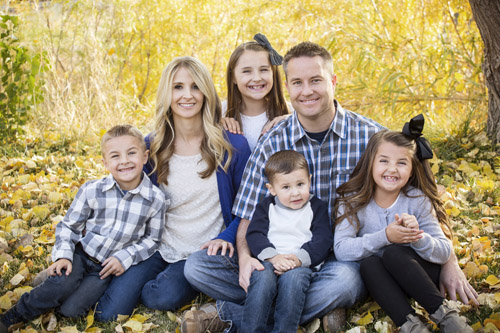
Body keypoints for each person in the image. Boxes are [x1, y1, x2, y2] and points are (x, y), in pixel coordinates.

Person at [183, 41, 478, 332]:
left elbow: (422, 194)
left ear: (334, 81)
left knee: (346, 283)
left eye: (316, 80)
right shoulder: (272, 141)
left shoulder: (370, 136)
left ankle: (231, 313)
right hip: (279, 253)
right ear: (287, 88)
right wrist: (246, 259)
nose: (307, 90)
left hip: (341, 257)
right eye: (297, 82)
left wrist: (449, 260)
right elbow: (248, 214)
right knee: (198, 267)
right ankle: (319, 310)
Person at [94, 56, 251, 321]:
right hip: (156, 246)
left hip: (198, 253)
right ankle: (76, 278)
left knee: (159, 297)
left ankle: (182, 285)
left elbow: (248, 206)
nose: (187, 95)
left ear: (206, 93)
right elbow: (128, 195)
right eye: (178, 87)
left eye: (195, 86)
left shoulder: (232, 146)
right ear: (167, 93)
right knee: (107, 314)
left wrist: (227, 236)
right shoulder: (151, 147)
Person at [0, 125, 165, 332]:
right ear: (105, 163)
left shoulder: (155, 199)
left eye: (131, 153)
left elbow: (153, 240)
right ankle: (13, 315)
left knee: (71, 310)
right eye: (115, 156)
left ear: (144, 156)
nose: (124, 161)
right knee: (61, 285)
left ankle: (51, 284)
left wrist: (125, 257)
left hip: (105, 270)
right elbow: (69, 226)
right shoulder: (92, 190)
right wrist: (63, 256)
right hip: (81, 254)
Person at [334, 115, 473, 333]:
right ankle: (411, 326)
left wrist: (417, 236)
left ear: (412, 169)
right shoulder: (352, 201)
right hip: (385, 283)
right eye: (384, 161)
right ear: (370, 162)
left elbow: (444, 251)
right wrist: (385, 236)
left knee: (395, 253)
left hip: (420, 276)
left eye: (401, 163)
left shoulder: (417, 200)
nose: (392, 169)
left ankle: (447, 318)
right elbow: (341, 249)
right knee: (369, 264)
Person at [243, 150, 332, 332]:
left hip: (301, 265)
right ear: (272, 189)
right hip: (270, 261)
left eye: (300, 184)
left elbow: (322, 239)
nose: (295, 193)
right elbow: (255, 235)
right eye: (286, 187)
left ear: (310, 179)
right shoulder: (266, 207)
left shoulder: (317, 207)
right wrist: (274, 258)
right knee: (261, 279)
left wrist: (297, 260)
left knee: (293, 282)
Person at [221, 33, 289, 150]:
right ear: (233, 77)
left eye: (263, 70)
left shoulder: (289, 112)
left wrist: (292, 120)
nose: (257, 78)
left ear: (273, 73)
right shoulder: (221, 112)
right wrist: (217, 125)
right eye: (247, 71)